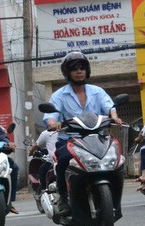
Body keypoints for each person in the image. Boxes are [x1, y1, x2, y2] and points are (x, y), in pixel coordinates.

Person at [43, 51, 123, 216]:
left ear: (87, 70)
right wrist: (53, 124)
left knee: (117, 159)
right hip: (70, 140)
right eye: (74, 68)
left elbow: (109, 107)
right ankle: (64, 197)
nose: (79, 71)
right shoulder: (59, 95)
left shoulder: (97, 91)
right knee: (64, 159)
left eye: (82, 67)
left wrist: (114, 118)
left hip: (97, 139)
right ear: (67, 72)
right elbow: (50, 117)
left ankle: (114, 198)